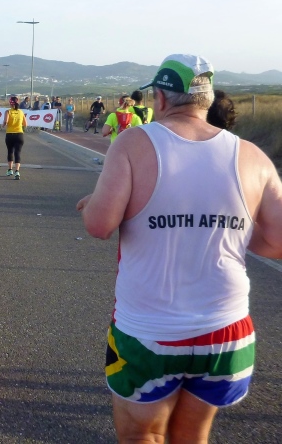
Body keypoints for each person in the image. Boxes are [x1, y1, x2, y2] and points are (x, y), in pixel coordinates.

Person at [76, 53, 282, 443]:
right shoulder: (252, 155)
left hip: (150, 330)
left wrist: (93, 203)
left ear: (160, 97)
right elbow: (277, 241)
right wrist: (225, 227)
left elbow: (100, 225)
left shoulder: (135, 142)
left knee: (142, 435)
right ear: (207, 100)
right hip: (226, 330)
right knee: (192, 436)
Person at [2, 95, 27, 179]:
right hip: (19, 134)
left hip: (10, 134)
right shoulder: (21, 112)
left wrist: (3, 125)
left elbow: (6, 121)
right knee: (17, 152)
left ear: (10, 103)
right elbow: (25, 124)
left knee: (10, 151)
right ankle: (17, 171)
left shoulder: (8, 112)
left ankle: (10, 169)